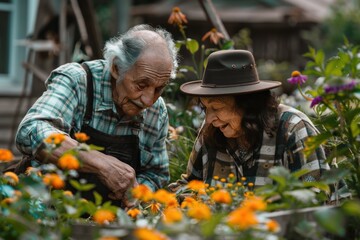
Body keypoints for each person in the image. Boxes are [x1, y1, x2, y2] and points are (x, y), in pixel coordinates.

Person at [14, 24, 178, 207]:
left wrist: (136, 195)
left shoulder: (157, 111)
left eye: (159, 89)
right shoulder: (78, 81)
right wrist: (101, 164)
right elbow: (31, 129)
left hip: (107, 222)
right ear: (116, 68)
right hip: (47, 210)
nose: (148, 100)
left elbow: (156, 174)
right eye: (141, 85)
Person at [169, 49, 330, 190]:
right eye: (205, 108)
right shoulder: (210, 131)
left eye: (217, 108)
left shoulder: (293, 128)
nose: (209, 119)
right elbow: (189, 187)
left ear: (247, 105)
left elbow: (314, 197)